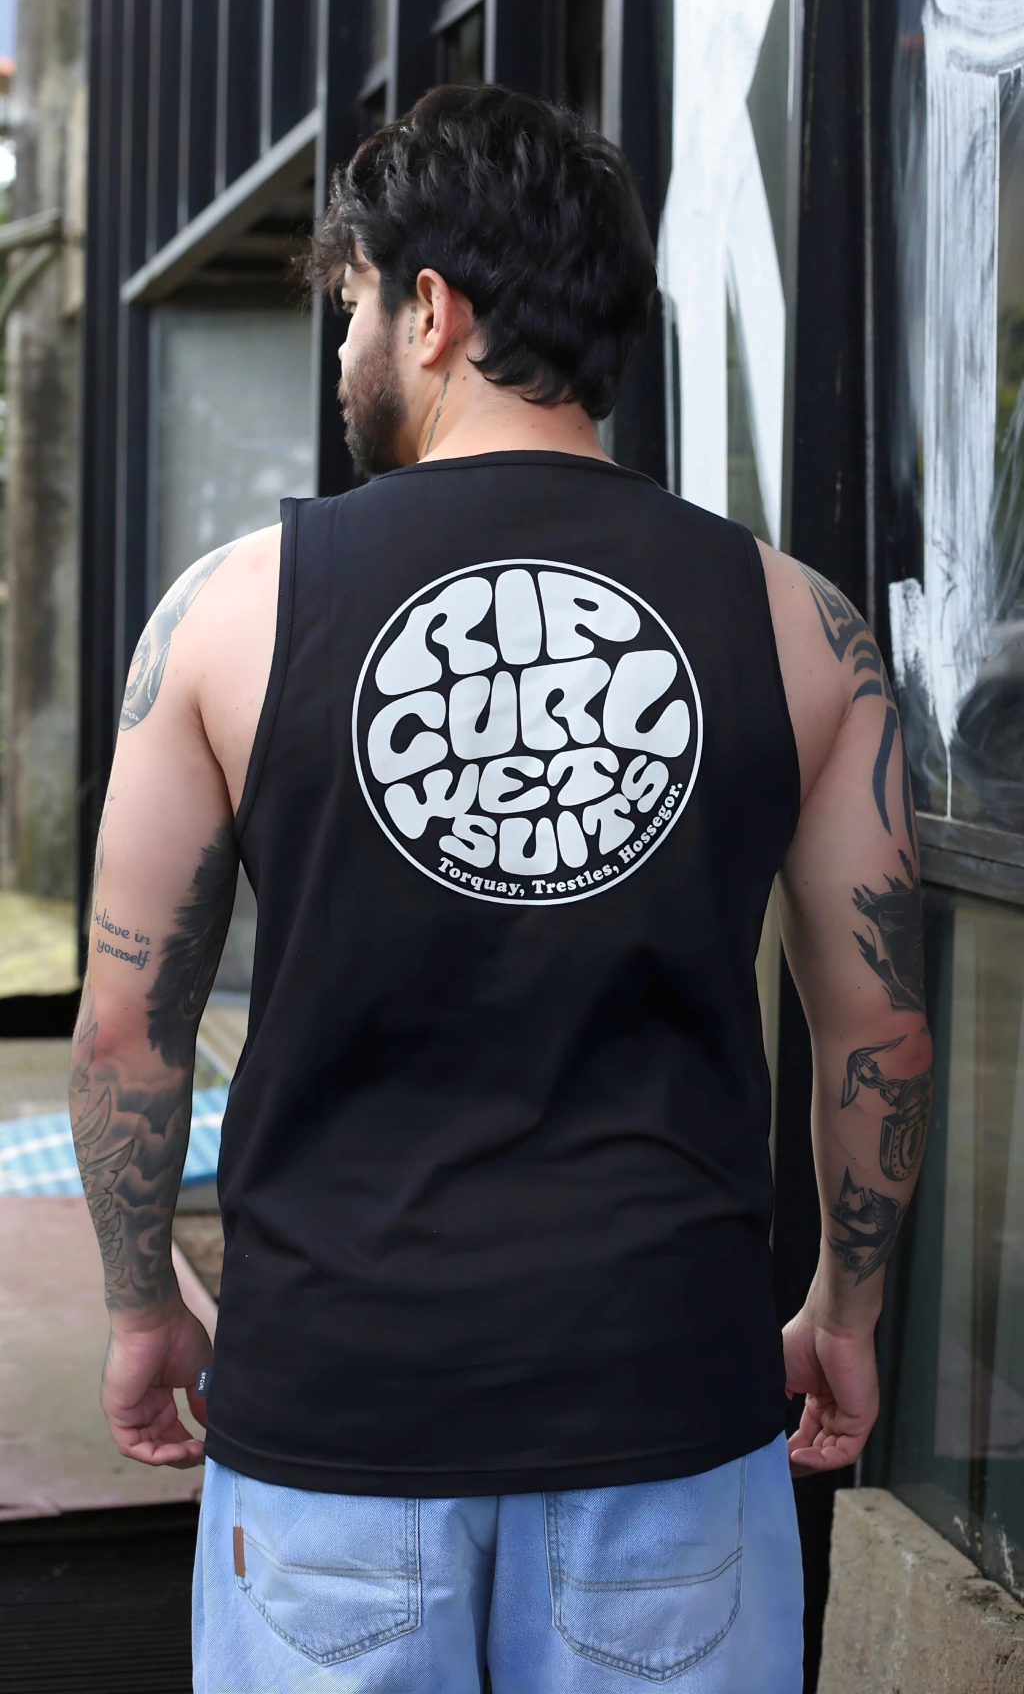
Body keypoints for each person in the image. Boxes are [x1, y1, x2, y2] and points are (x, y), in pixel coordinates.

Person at [72, 85, 932, 1694]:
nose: (344, 356)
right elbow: (878, 1030)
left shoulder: (228, 614)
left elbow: (127, 1027)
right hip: (669, 1412)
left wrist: (141, 1310)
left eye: (350, 312)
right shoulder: (803, 627)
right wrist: (846, 1306)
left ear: (433, 310)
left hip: (333, 1419)